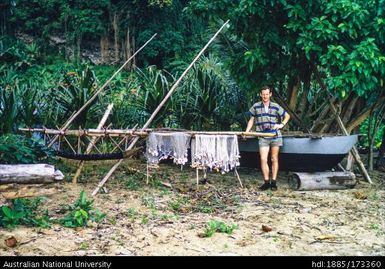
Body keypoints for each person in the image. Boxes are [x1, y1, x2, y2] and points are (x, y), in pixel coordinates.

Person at [245, 86, 290, 191]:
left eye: (267, 94)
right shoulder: (256, 106)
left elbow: (287, 116)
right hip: (262, 136)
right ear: (261, 95)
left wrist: (281, 125)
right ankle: (266, 182)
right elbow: (251, 120)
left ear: (270, 94)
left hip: (275, 135)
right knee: (263, 159)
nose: (265, 96)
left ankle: (273, 182)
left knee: (274, 159)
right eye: (263, 94)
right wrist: (247, 131)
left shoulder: (275, 106)